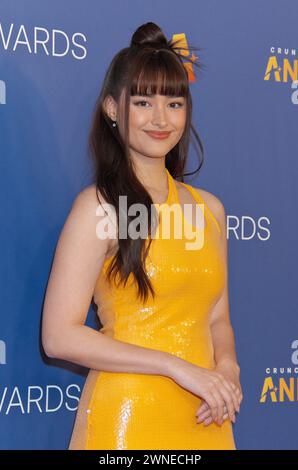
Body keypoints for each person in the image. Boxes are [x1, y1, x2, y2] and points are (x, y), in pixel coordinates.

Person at [42, 22, 243, 450]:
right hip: (128, 422)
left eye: (173, 103)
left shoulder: (210, 210)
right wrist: (177, 367)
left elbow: (217, 319)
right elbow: (59, 335)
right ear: (113, 109)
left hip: (207, 418)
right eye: (143, 101)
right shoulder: (100, 207)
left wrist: (227, 369)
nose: (160, 118)